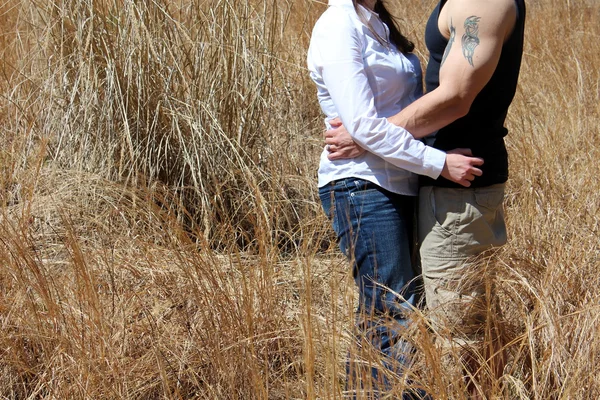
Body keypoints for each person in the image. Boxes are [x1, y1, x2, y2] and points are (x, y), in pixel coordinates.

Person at [324, 0, 526, 397]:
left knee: (458, 330)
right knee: (412, 314)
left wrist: (366, 137)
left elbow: (455, 96)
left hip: (459, 182)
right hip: (434, 179)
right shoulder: (348, 23)